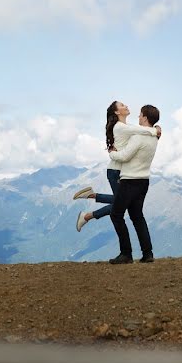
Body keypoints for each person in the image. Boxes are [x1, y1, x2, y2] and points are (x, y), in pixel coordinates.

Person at [72, 101, 160, 232]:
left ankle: (91, 200)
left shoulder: (126, 126)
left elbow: (141, 132)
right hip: (115, 170)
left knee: (121, 203)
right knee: (121, 204)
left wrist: (155, 130)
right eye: (122, 106)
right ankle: (87, 214)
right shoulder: (120, 127)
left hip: (120, 170)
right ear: (117, 112)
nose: (126, 106)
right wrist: (156, 130)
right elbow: (142, 130)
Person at [106, 105, 160, 264]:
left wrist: (111, 152)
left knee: (116, 215)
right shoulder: (155, 137)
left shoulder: (138, 137)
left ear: (144, 118)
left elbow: (124, 156)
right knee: (137, 216)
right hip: (144, 180)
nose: (138, 117)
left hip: (130, 180)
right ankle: (148, 253)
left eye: (140, 115)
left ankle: (126, 253)